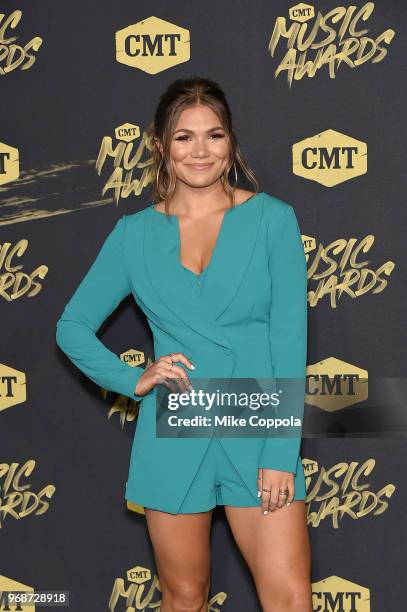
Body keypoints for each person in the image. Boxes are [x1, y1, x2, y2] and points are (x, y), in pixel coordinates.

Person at [56, 76, 312, 612]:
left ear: (232, 144)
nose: (200, 151)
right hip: (176, 429)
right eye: (184, 137)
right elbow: (72, 326)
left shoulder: (272, 221)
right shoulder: (133, 235)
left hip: (256, 422)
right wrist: (133, 379)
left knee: (289, 599)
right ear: (160, 145)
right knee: (184, 597)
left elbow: (290, 341)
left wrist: (280, 454)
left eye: (214, 136)